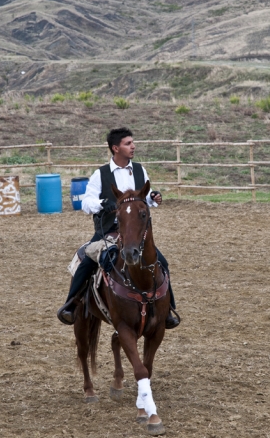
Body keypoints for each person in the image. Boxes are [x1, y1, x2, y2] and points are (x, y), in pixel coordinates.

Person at [57, 127, 180, 329]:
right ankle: (71, 304)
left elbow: (143, 199)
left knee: (162, 263)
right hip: (108, 231)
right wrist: (102, 203)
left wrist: (153, 198)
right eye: (128, 143)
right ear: (116, 148)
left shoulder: (140, 170)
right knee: (86, 260)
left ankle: (168, 311)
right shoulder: (101, 174)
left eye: (132, 142)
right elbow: (86, 203)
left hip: (137, 232)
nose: (133, 146)